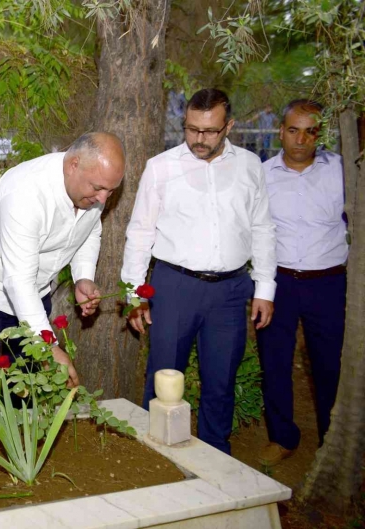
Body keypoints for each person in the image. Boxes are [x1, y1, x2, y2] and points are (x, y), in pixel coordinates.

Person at [121, 88, 277, 455]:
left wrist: (265, 289)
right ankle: (156, 453)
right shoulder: (161, 167)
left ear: (229, 126)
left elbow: (263, 228)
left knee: (221, 378)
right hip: (174, 287)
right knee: (163, 376)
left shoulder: (250, 166)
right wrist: (133, 294)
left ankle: (216, 455)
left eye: (209, 131)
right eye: (191, 129)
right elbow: (140, 232)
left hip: (231, 290)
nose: (198, 139)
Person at [0, 132, 126, 417]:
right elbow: (17, 281)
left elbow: (90, 229)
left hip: (34, 286)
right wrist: (49, 346)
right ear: (73, 164)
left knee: (28, 379)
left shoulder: (90, 188)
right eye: (98, 188)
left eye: (111, 191)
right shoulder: (26, 192)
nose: (103, 198)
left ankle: (21, 448)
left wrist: (82, 276)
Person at [256, 100, 347, 466]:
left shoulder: (341, 171)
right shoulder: (262, 175)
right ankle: (282, 437)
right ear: (281, 131)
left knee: (330, 364)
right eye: (293, 130)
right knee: (274, 361)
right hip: (278, 282)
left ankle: (332, 441)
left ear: (319, 134)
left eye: (310, 131)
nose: (301, 139)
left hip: (328, 282)